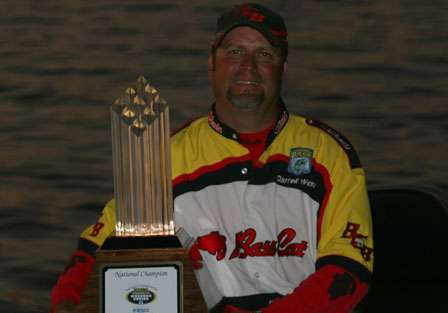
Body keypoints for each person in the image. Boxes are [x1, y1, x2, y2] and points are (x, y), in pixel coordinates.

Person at [51, 3, 373, 313]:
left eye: (264, 53)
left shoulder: (328, 153)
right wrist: (66, 304)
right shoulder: (166, 158)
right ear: (211, 63)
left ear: (282, 67)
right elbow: (93, 252)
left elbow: (348, 270)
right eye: (234, 52)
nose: (248, 66)